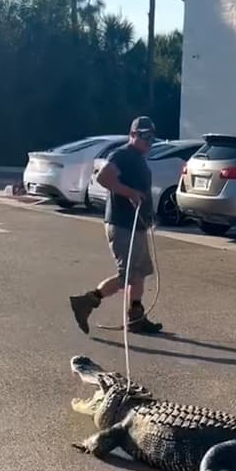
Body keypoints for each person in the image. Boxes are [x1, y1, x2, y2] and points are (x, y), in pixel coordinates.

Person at [68, 116, 163, 335]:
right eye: (144, 136)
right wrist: (130, 193)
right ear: (132, 135)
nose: (149, 141)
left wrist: (149, 217)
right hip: (122, 224)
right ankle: (87, 301)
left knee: (138, 273)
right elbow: (103, 178)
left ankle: (136, 317)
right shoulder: (122, 155)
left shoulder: (138, 158)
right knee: (127, 275)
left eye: (152, 137)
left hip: (136, 225)